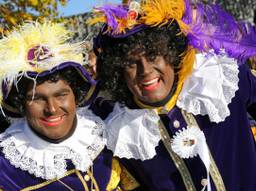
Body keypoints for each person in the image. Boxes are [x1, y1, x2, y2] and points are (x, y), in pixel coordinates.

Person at [91, 0, 256, 190]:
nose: (145, 71)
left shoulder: (220, 82)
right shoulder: (121, 134)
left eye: (153, 55)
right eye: (130, 63)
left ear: (171, 53)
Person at [0, 22, 130, 191]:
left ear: (75, 96)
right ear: (21, 104)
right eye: (37, 99)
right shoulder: (6, 169)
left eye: (61, 95)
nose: (52, 109)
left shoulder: (108, 120)